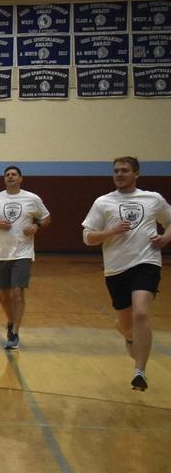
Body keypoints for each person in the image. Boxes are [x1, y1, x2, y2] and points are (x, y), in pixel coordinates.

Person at [81, 156, 170, 391]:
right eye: (116, 171)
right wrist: (110, 231)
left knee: (141, 313)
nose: (119, 174)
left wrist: (165, 238)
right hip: (116, 268)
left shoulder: (153, 199)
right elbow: (88, 237)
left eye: (125, 170)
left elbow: (170, 221)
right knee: (127, 323)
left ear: (136, 174)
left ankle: (140, 371)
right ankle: (130, 337)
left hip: (147, 262)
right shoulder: (103, 202)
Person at [0, 166, 51, 350]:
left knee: (17, 291)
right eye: (7, 175)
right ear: (4, 179)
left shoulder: (32, 198)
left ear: (21, 178)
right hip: (1, 253)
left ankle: (15, 332)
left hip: (23, 253)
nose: (10, 177)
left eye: (14, 174)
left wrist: (37, 226)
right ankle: (10, 321)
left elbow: (46, 218)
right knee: (4, 295)